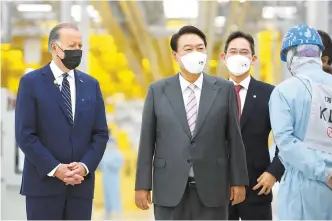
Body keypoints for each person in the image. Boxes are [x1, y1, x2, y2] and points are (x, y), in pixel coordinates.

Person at [135, 25, 248, 220]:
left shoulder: (224, 89)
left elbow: (234, 139)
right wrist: (142, 185)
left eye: (200, 48)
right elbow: (147, 141)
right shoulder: (157, 90)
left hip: (213, 187)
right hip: (168, 187)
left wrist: (239, 181)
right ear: (175, 55)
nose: (195, 53)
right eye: (188, 49)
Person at [15, 23, 109, 220]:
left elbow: (100, 133)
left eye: (80, 46)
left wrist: (84, 166)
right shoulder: (31, 83)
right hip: (43, 188)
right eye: (71, 45)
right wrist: (56, 168)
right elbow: (25, 135)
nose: (77, 51)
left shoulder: (91, 85)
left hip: (80, 188)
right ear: (54, 48)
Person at [269, 24, 332, 220]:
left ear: (291, 55)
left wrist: (325, 173)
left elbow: (285, 143)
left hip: (302, 188)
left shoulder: (284, 91)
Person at [221, 31, 285, 220]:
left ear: (253, 58)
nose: (238, 56)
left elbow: (286, 138)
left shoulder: (270, 94)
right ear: (224, 57)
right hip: (219, 189)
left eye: (244, 52)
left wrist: (273, 172)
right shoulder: (212, 93)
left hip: (258, 185)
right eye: (233, 52)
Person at [99, 136, 124, 219]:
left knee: (114, 194)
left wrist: (110, 164)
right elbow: (100, 165)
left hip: (113, 178)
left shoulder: (117, 153)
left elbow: (120, 164)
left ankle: (117, 212)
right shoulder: (104, 153)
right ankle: (108, 211)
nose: (110, 145)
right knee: (106, 195)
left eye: (111, 143)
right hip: (105, 178)